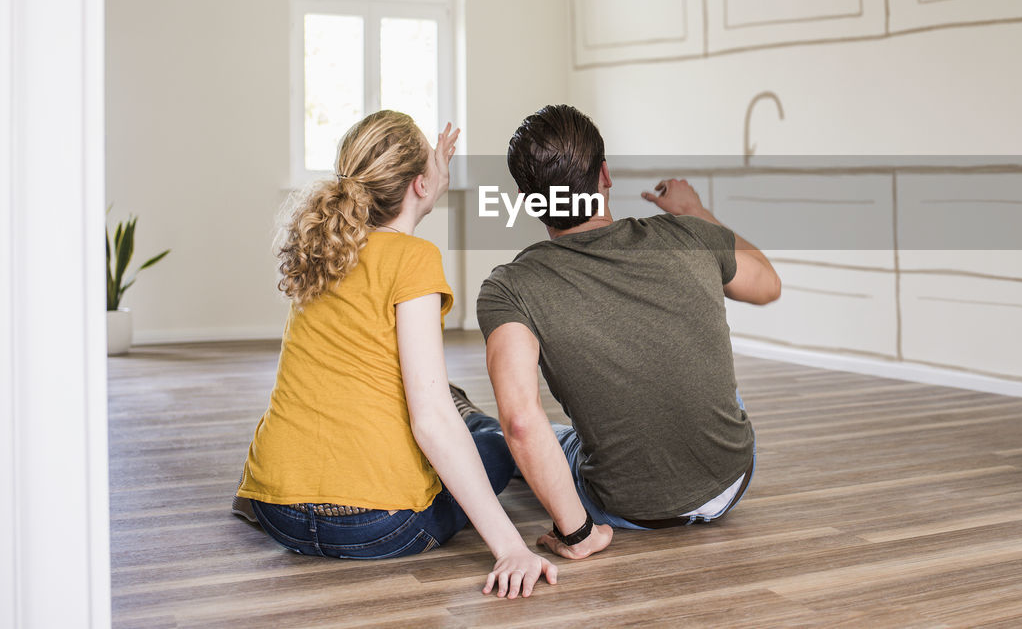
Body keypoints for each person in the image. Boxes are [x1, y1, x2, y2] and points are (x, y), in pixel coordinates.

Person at [233, 110, 555, 598]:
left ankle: (455, 403)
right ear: (422, 185)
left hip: (277, 511)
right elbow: (429, 422)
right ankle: (464, 409)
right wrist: (511, 547)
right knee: (489, 441)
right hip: (376, 526)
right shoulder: (413, 258)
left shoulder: (324, 247)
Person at [477, 104, 782, 561]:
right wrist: (697, 212)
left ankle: (469, 418)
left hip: (625, 507)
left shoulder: (510, 287)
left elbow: (521, 420)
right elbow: (768, 285)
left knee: (539, 437)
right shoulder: (690, 233)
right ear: (605, 174)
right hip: (733, 478)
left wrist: (577, 535)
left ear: (528, 199)